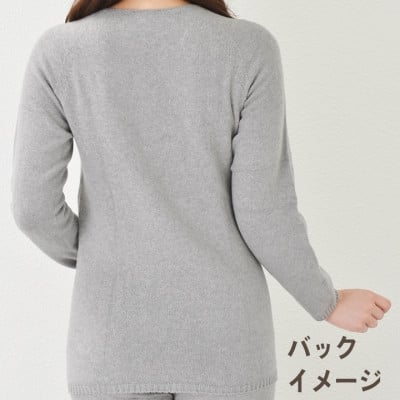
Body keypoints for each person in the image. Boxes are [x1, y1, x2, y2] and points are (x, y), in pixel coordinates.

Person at [10, 0, 392, 399]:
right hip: (227, 342)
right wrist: (326, 301)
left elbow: (33, 208)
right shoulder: (248, 48)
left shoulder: (60, 51)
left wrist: (105, 255)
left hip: (110, 346)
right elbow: (264, 212)